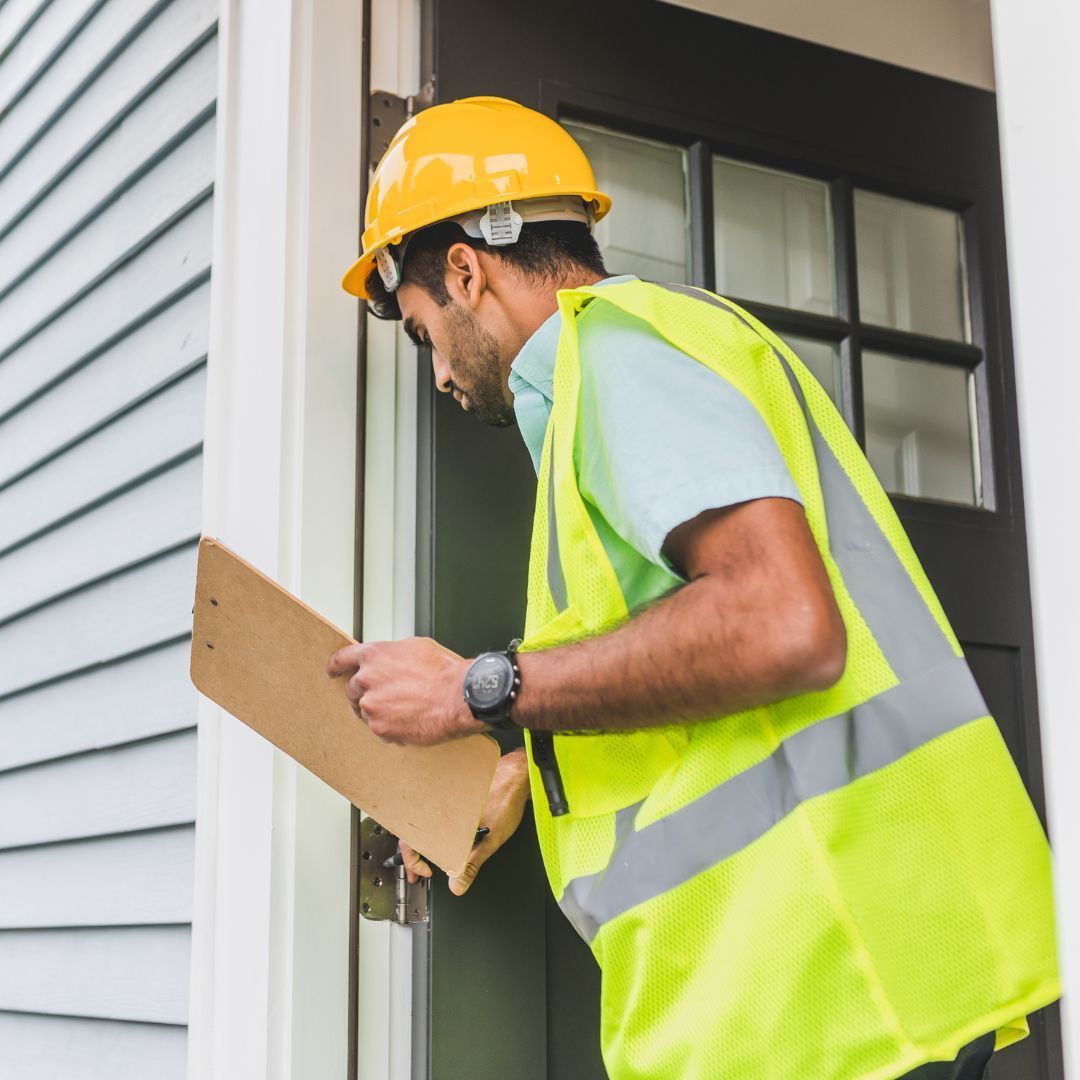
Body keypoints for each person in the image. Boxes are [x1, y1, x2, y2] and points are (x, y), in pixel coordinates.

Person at [327, 96, 1059, 1080]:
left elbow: (782, 626)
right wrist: (507, 775)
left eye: (423, 335)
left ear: (466, 269)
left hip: (830, 981)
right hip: (825, 980)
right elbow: (689, 669)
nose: (440, 377)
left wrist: (474, 689)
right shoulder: (634, 366)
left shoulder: (621, 357)